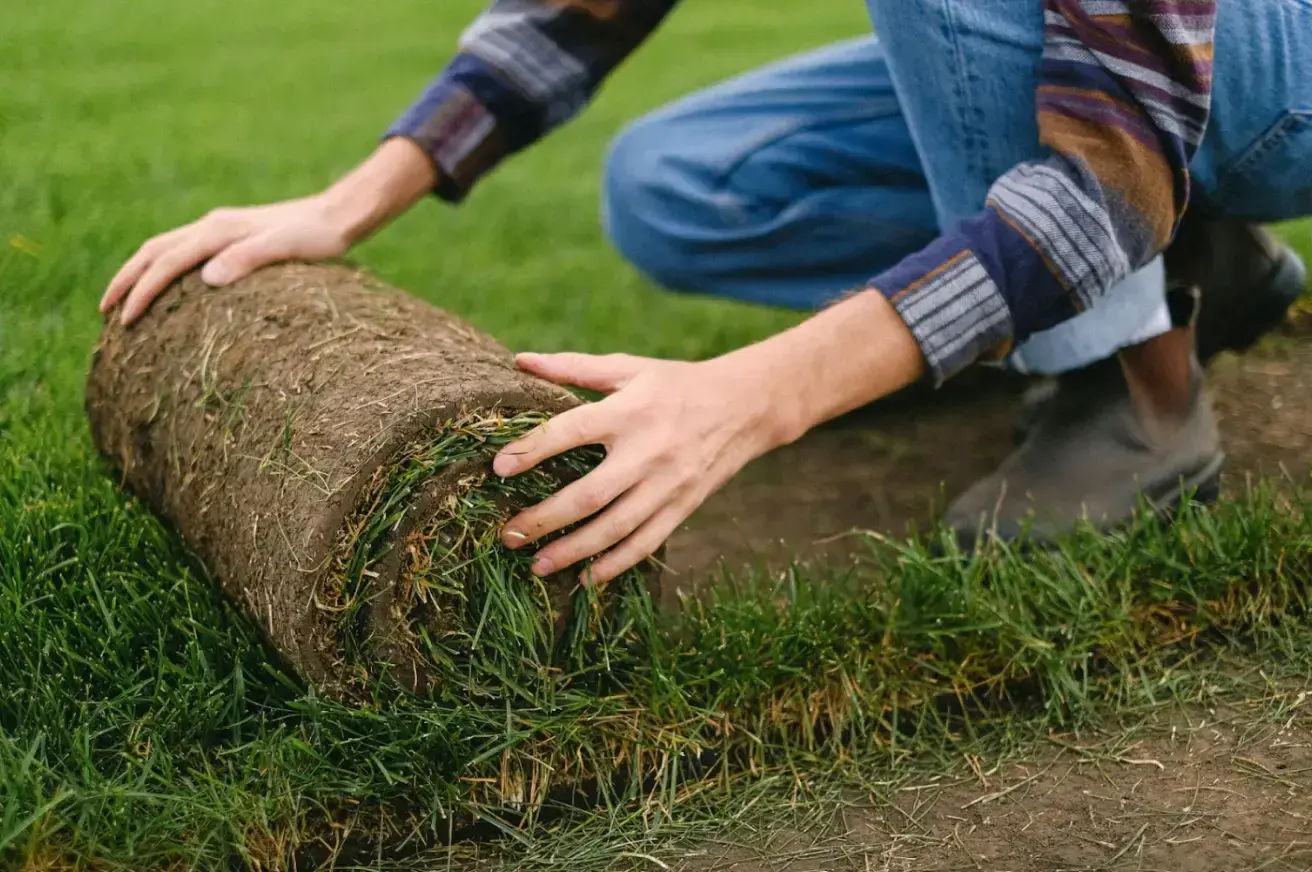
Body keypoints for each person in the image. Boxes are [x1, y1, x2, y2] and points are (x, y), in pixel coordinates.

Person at [101, 0, 1312, 585]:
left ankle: (1130, 384)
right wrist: (349, 200)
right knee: (676, 183)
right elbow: (577, 12)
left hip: (1258, 66)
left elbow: (1112, 168)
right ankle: (1194, 263)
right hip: (1106, 62)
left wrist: (753, 397)